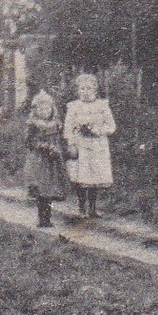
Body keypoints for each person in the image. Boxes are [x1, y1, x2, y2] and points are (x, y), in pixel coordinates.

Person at [64, 73, 116, 218]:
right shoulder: (74, 106)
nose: (85, 92)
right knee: (81, 177)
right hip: (81, 146)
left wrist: (97, 130)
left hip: (98, 146)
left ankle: (92, 208)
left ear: (95, 90)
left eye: (88, 88)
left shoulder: (102, 106)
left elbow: (111, 126)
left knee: (94, 179)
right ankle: (81, 207)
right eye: (82, 89)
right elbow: (67, 128)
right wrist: (71, 143)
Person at [23, 89, 70, 228]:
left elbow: (60, 139)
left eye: (47, 108)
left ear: (52, 109)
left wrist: (60, 149)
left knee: (50, 190)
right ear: (36, 110)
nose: (45, 111)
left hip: (53, 161)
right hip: (38, 160)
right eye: (41, 109)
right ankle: (42, 218)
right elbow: (28, 142)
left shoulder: (56, 124)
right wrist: (43, 146)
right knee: (41, 190)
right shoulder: (33, 124)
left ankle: (47, 217)